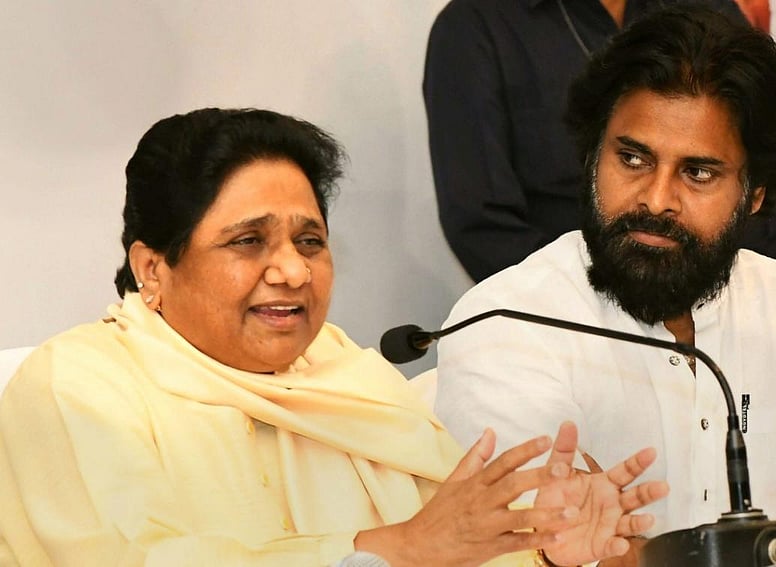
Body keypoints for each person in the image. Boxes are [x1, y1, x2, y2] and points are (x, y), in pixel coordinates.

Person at [0, 109, 669, 566]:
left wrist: (548, 547)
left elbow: (449, 548)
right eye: (249, 240)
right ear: (153, 267)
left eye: (310, 240)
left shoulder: (349, 375)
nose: (293, 270)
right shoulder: (77, 384)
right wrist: (393, 547)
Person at [433, 5, 776, 565]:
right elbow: (545, 550)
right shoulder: (503, 325)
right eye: (632, 158)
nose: (655, 200)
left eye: (697, 173)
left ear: (754, 194)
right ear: (591, 157)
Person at [422, 0, 776, 283]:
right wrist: (606, 309)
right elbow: (481, 223)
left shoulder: (710, 8)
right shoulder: (476, 26)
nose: (657, 199)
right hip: (563, 324)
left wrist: (717, 300)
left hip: (714, 316)